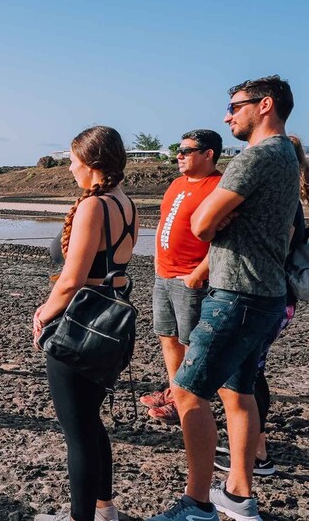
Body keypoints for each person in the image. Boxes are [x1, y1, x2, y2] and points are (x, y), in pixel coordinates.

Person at [147, 75, 298, 521]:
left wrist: (216, 221)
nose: (228, 115)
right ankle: (237, 493)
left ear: (264, 105)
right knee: (239, 390)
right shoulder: (288, 154)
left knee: (188, 393)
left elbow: (200, 223)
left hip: (236, 294)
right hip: (266, 294)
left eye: (235, 106)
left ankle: (196, 505)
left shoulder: (256, 156)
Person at [33, 126, 135, 521]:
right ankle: (105, 508)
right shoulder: (124, 203)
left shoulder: (94, 207)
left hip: (81, 325)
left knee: (77, 433)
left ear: (92, 164)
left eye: (74, 160)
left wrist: (43, 313)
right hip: (113, 322)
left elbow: (72, 279)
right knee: (90, 421)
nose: (70, 167)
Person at [214, 133, 308, 478]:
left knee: (249, 374)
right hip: (280, 298)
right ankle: (253, 448)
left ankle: (259, 455)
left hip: (270, 296)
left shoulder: (284, 202)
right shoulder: (290, 198)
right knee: (251, 372)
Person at [140, 130, 223, 424]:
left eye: (186, 150)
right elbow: (165, 220)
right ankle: (175, 391)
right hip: (164, 274)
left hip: (190, 278)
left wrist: (199, 273)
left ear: (208, 154)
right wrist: (157, 260)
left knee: (191, 342)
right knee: (167, 335)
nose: (179, 155)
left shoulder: (218, 186)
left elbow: (225, 239)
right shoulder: (177, 183)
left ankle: (186, 397)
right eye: (178, 149)